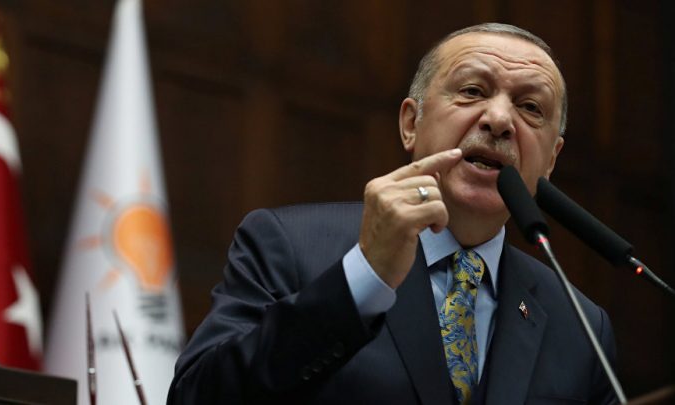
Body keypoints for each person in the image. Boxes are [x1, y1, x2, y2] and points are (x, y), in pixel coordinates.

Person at [167, 23, 617, 405]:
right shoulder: (288, 245)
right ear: (410, 124)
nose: (499, 120)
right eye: (472, 91)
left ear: (551, 160)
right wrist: (365, 277)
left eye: (530, 107)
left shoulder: (582, 326)